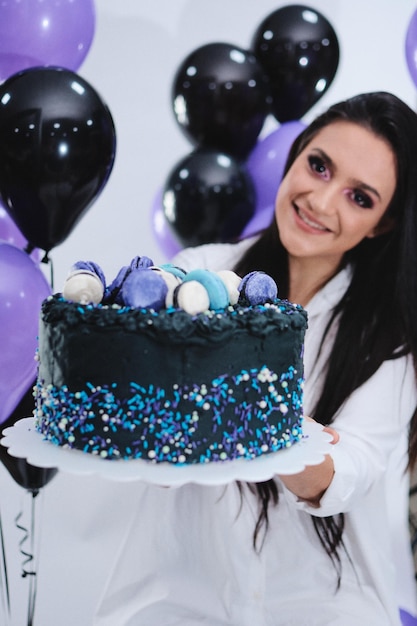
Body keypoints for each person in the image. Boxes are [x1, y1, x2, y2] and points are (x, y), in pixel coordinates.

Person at [94, 92, 417, 626]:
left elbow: (351, 470)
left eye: (360, 197)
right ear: (294, 158)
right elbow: (154, 446)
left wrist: (259, 413)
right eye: (318, 166)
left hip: (322, 602)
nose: (321, 201)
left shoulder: (391, 338)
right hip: (180, 595)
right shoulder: (196, 274)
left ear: (382, 224)